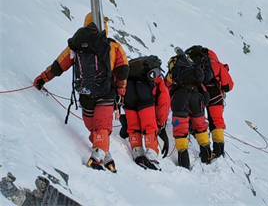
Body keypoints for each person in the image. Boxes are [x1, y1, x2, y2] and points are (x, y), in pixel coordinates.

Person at [33, 13, 129, 171]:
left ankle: (101, 149)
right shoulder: (113, 46)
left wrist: (43, 78)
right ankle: (100, 152)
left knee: (94, 126)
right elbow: (123, 70)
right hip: (106, 93)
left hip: (86, 93)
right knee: (102, 126)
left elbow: (59, 64)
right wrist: (120, 91)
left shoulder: (77, 44)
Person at [119, 55, 170, 169]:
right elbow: (163, 101)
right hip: (144, 95)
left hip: (128, 93)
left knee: (133, 127)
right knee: (149, 126)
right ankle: (151, 156)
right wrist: (161, 122)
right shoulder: (155, 77)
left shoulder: (132, 74)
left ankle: (138, 153)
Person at [185, 46, 234, 158]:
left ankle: (204, 149)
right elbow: (228, 86)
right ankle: (218, 151)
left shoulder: (192, 63)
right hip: (215, 92)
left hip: (198, 92)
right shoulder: (215, 63)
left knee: (198, 119)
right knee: (216, 120)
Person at [166, 49, 211, 169]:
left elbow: (167, 85)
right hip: (196, 96)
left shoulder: (175, 70)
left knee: (180, 129)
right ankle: (206, 156)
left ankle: (184, 162)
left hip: (180, 96)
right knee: (200, 126)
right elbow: (203, 89)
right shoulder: (193, 68)